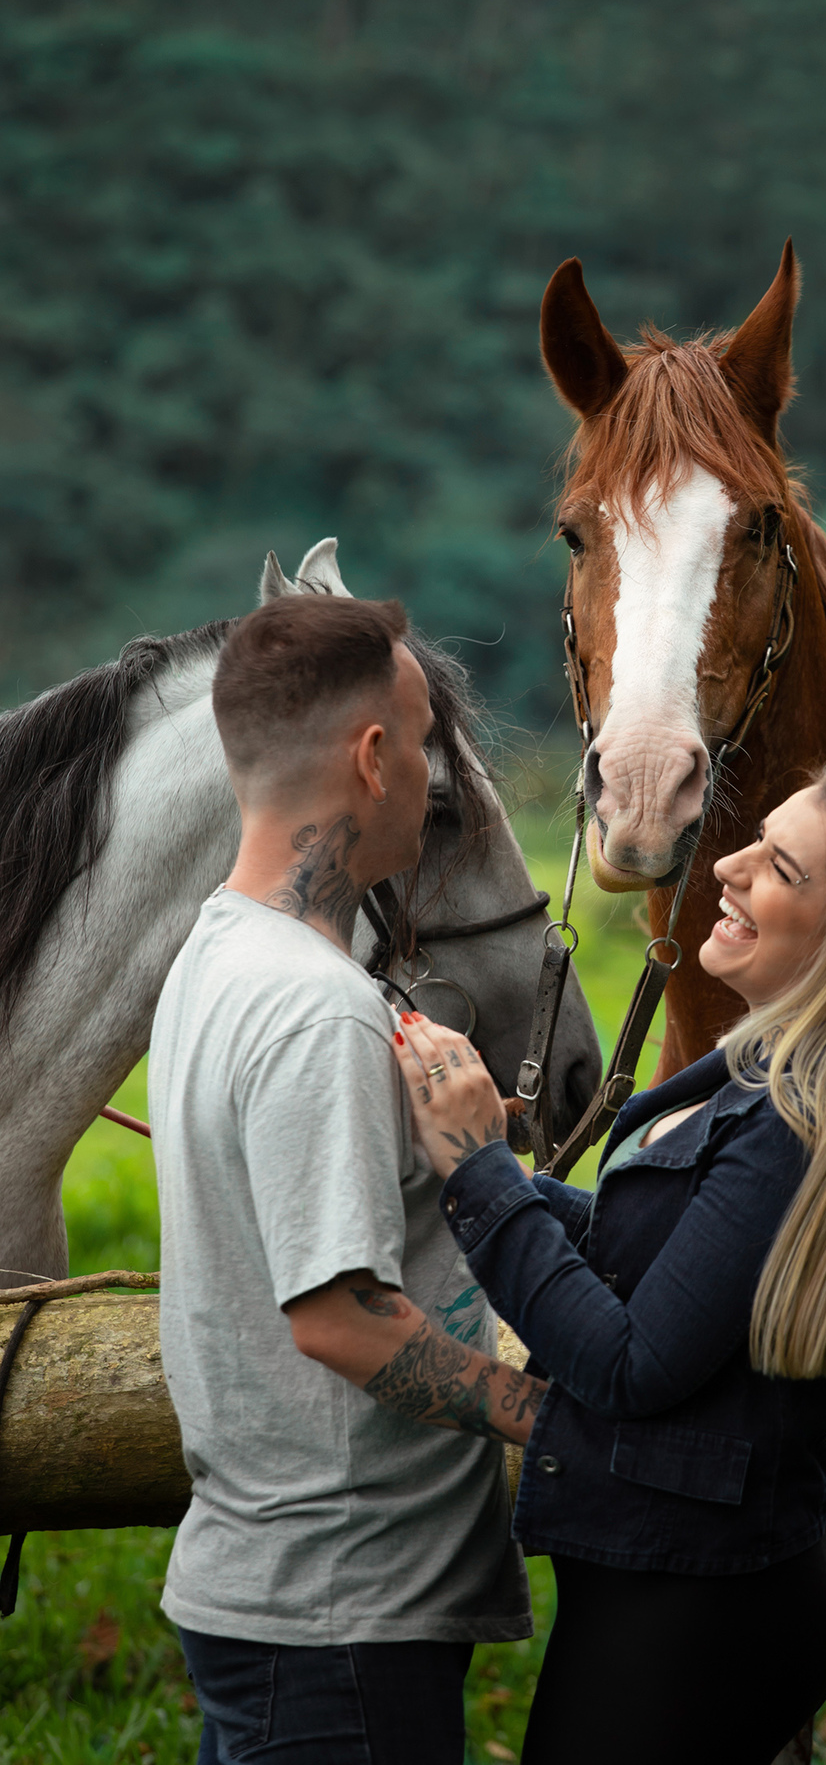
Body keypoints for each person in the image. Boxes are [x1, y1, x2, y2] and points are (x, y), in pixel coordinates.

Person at [393, 758, 826, 1765]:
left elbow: (631, 1363)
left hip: (696, 1614)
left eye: (780, 869)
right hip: (676, 1591)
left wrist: (483, 1174)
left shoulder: (794, 1121)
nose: (729, 867)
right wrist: (480, 1175)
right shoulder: (764, 1071)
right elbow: (659, 1253)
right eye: (756, 840)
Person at [149, 595, 547, 1765]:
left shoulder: (220, 951)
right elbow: (339, 1320)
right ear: (374, 759)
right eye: (425, 743)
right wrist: (554, 1420)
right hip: (341, 1625)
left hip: (290, 1609)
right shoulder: (316, 1010)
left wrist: (461, 1147)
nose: (433, 776)